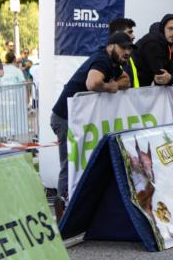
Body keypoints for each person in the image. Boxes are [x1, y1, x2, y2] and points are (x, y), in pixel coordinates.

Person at [50, 32, 133, 215]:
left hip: (78, 118)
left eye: (129, 48)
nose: (127, 52)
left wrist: (116, 85)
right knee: (70, 162)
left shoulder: (113, 63)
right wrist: (108, 87)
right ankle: (63, 208)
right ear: (111, 46)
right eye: (123, 47)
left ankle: (78, 207)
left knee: (82, 159)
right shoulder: (102, 59)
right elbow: (92, 83)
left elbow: (127, 80)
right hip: (65, 117)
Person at [135, 14, 173, 87]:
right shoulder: (153, 42)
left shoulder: (171, 43)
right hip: (133, 84)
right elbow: (161, 77)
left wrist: (170, 77)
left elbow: (169, 72)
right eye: (170, 28)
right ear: (163, 29)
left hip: (143, 85)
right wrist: (170, 78)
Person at [108, 18, 138, 88]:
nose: (133, 36)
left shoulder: (128, 54)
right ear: (117, 33)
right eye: (129, 32)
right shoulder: (105, 58)